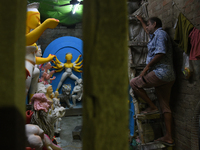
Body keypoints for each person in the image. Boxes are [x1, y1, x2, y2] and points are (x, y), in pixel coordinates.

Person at [130, 16, 175, 146]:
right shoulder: (155, 34)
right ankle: (168, 137)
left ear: (154, 24)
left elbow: (160, 53)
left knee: (134, 83)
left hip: (161, 73)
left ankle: (152, 106)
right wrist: (142, 21)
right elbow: (146, 29)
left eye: (149, 25)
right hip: (169, 76)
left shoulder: (160, 34)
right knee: (165, 106)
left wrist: (146, 69)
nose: (147, 28)